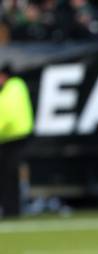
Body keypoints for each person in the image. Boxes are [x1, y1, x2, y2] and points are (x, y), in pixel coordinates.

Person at [0, 63, 34, 218]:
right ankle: (11, 209)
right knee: (8, 177)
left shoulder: (12, 88)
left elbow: (6, 115)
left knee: (10, 177)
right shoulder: (15, 86)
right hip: (10, 139)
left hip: (15, 139)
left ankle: (12, 211)